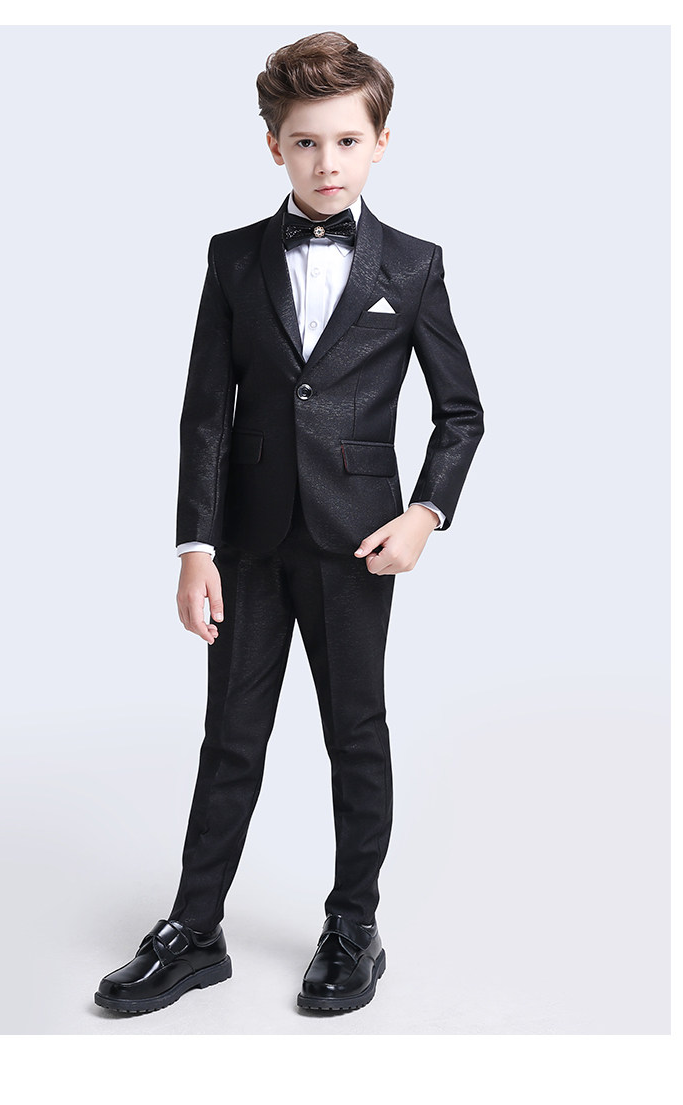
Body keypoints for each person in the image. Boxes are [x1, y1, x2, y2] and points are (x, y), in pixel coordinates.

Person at [95, 30, 484, 1016]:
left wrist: (424, 513)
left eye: (346, 141)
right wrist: (195, 547)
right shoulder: (233, 259)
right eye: (305, 142)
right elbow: (204, 414)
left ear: (381, 143)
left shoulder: (414, 265)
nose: (326, 162)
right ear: (274, 145)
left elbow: (461, 411)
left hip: (359, 543)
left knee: (356, 733)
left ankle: (354, 924)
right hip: (247, 543)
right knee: (231, 736)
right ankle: (195, 929)